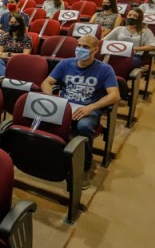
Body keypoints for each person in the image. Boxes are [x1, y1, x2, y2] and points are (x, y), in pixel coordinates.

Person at [42, 35, 120, 186]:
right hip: (65, 105)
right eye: (78, 45)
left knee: (84, 126)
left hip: (88, 108)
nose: (80, 49)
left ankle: (84, 165)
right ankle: (52, 157)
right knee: (43, 118)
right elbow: (47, 82)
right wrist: (53, 99)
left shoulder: (105, 69)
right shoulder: (65, 63)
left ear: (95, 50)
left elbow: (115, 95)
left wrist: (91, 107)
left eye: (85, 47)